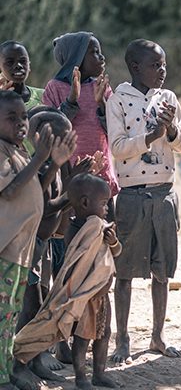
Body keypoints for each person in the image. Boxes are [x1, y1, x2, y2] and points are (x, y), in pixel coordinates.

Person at [106, 39, 181, 363]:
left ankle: (157, 336)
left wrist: (168, 132)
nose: (162, 70)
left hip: (164, 193)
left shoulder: (168, 99)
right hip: (131, 195)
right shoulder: (119, 100)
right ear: (135, 67)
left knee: (161, 271)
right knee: (124, 273)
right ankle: (123, 340)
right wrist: (150, 138)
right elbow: (118, 147)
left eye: (164, 64)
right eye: (155, 65)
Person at [14, 173, 121, 389]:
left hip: (102, 296)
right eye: (103, 203)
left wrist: (113, 242)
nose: (108, 208)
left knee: (105, 334)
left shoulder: (101, 227)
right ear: (84, 203)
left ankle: (99, 374)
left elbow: (116, 253)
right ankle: (81, 377)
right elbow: (75, 261)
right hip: (84, 297)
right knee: (82, 338)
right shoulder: (78, 229)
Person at [13, 110, 76, 385]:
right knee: (27, 309)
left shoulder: (54, 166)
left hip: (41, 246)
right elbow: (44, 207)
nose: (67, 146)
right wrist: (69, 198)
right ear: (43, 138)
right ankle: (17, 365)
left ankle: (34, 361)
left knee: (37, 306)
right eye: (62, 140)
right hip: (27, 247)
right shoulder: (36, 167)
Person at [0, 90, 53, 390]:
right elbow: (9, 191)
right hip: (6, 250)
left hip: (20, 252)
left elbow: (33, 189)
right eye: (11, 118)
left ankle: (6, 372)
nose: (21, 123)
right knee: (1, 319)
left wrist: (51, 161)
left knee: (9, 318)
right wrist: (40, 158)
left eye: (23, 117)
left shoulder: (17, 150)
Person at [42, 31, 118, 215]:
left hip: (101, 172)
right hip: (70, 177)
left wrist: (102, 104)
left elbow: (115, 130)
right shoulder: (55, 88)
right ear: (76, 58)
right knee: (72, 234)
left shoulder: (101, 87)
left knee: (105, 233)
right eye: (94, 52)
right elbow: (51, 130)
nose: (102, 57)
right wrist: (71, 101)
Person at [0, 41, 44, 110]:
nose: (18, 65)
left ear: (29, 65)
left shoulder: (44, 96)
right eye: (10, 62)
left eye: (23, 61)